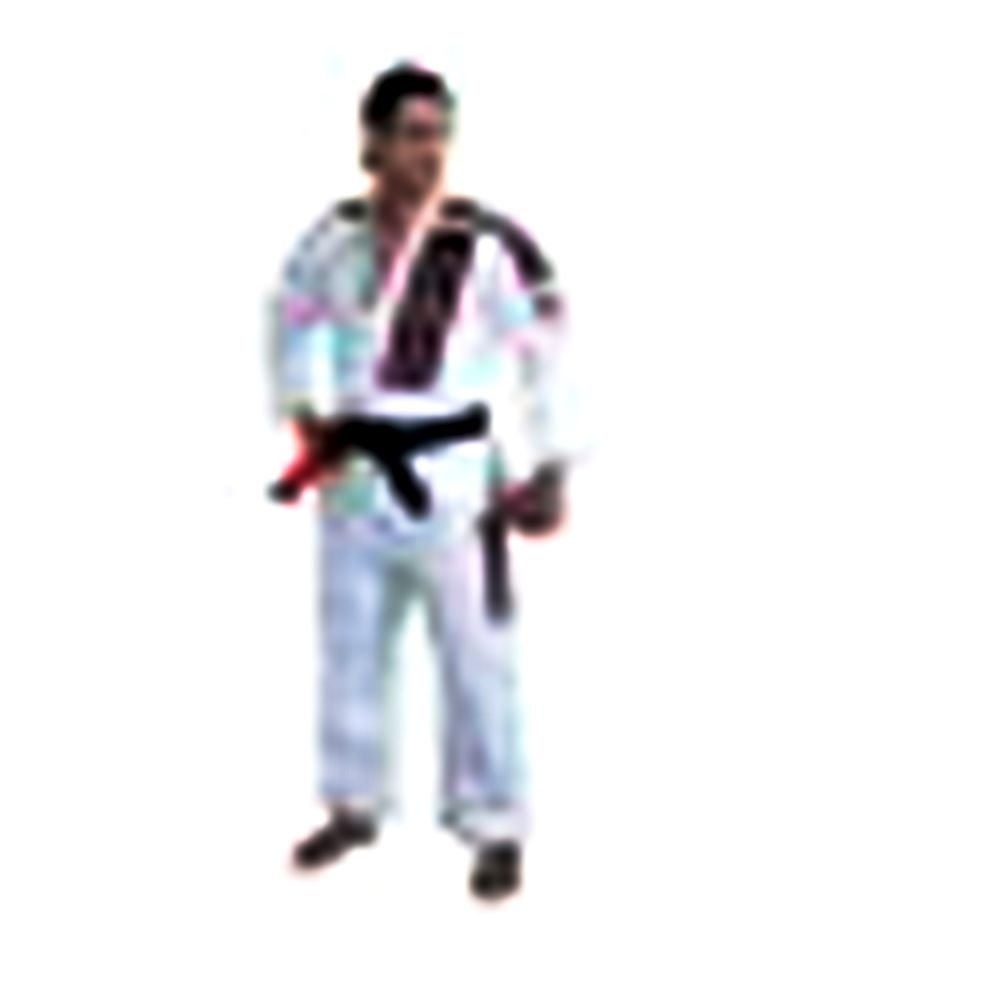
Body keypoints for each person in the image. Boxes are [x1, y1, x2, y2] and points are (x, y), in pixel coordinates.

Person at [267, 61, 581, 902]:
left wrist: (552, 462)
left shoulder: (486, 244)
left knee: (477, 656)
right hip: (354, 473)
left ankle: (495, 823)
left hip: (454, 480)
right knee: (348, 646)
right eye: (411, 135)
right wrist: (303, 412)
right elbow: (288, 313)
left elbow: (550, 349)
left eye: (440, 135)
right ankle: (352, 803)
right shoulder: (333, 238)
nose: (429, 152)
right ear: (370, 143)